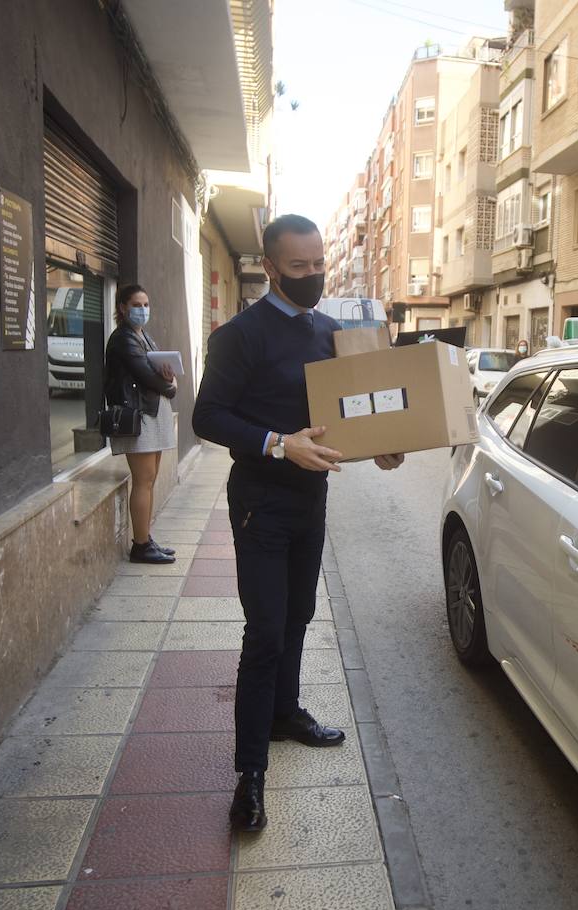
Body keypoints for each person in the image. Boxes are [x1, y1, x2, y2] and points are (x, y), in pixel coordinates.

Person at [192, 214, 404, 833]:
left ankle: (285, 712)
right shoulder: (241, 336)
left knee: (298, 616)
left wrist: (381, 443)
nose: (312, 277)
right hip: (261, 501)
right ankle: (249, 774)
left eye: (319, 266)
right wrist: (277, 444)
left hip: (312, 502)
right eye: (298, 267)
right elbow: (208, 417)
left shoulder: (332, 332)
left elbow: (348, 413)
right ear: (269, 266)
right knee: (264, 634)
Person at [105, 284, 178, 564]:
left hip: (150, 413)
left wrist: (166, 378)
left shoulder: (142, 335)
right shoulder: (124, 338)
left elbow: (157, 370)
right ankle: (141, 545)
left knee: (150, 479)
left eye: (146, 304)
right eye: (136, 305)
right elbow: (148, 376)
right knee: (143, 481)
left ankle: (145, 537)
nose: (143, 310)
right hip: (138, 417)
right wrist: (170, 386)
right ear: (122, 308)